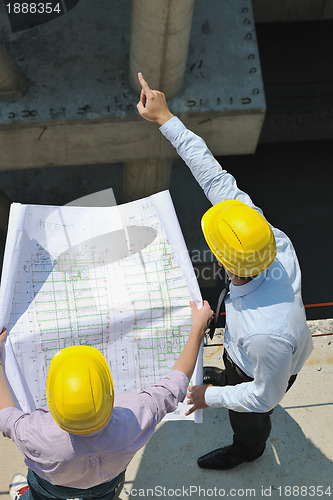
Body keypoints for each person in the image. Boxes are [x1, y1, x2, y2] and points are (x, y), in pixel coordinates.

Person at [136, 72, 314, 470]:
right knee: (232, 374)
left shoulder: (265, 334)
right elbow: (214, 175)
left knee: (249, 421)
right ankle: (228, 375)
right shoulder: (266, 238)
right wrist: (166, 118)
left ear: (223, 261)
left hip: (262, 368)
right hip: (252, 350)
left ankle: (245, 452)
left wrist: (208, 396)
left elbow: (264, 397)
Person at [0, 299, 213, 499]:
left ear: (52, 402)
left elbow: (6, 415)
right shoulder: (134, 417)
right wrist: (197, 329)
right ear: (110, 392)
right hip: (107, 484)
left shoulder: (34, 432)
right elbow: (175, 386)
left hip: (50, 486)